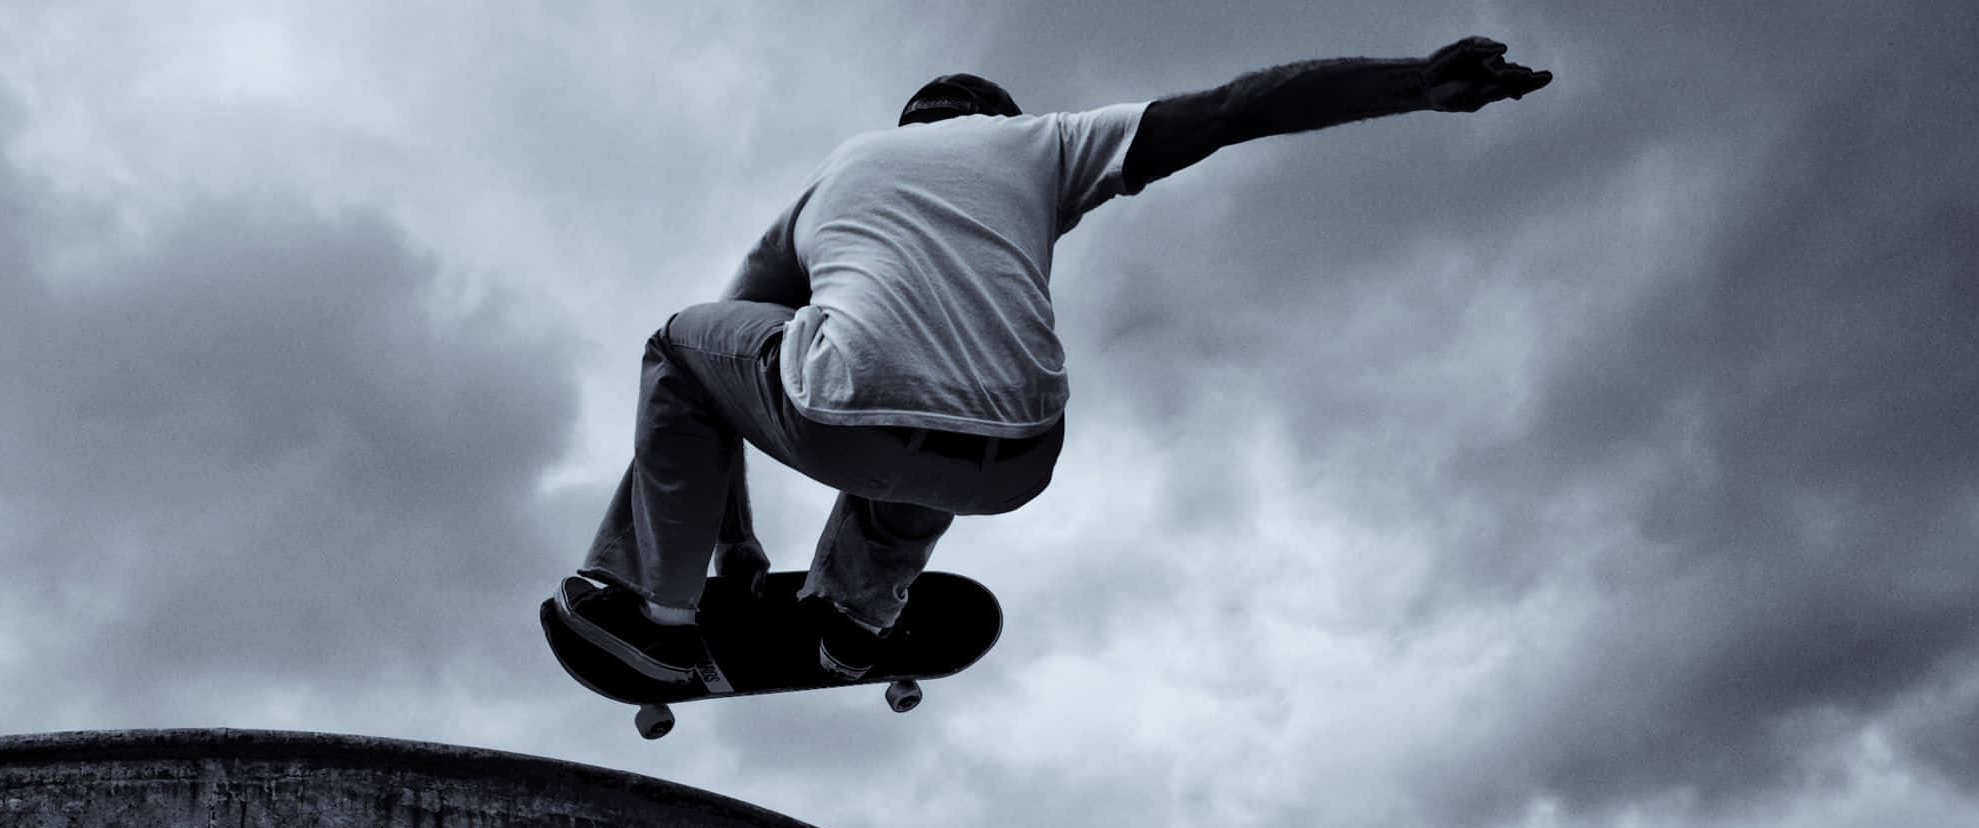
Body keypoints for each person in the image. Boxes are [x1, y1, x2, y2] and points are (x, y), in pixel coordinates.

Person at [560, 37, 1556, 686]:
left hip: (840, 419)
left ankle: (655, 613)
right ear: (997, 117)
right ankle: (857, 618)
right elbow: (1233, 109)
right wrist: (1414, 83)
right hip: (1021, 459)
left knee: (687, 346)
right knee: (948, 380)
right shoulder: (1044, 143)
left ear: (912, 127)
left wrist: (729, 546)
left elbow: (718, 370)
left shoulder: (839, 174)